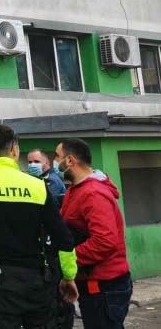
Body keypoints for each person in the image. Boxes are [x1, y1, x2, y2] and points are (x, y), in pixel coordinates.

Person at [0, 124, 78, 328]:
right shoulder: (37, 186)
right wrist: (69, 276)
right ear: (15, 150)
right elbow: (64, 239)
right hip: (35, 283)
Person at [56, 138, 132, 329]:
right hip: (91, 283)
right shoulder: (75, 190)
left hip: (102, 286)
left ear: (70, 160)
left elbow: (105, 240)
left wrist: (68, 259)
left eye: (57, 156)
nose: (55, 162)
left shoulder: (92, 193)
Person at [26, 149, 75, 328]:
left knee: (59, 302)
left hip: (53, 246)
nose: (32, 165)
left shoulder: (51, 182)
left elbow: (45, 214)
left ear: (46, 163)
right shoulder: (36, 181)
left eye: (36, 161)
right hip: (44, 246)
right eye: (30, 161)